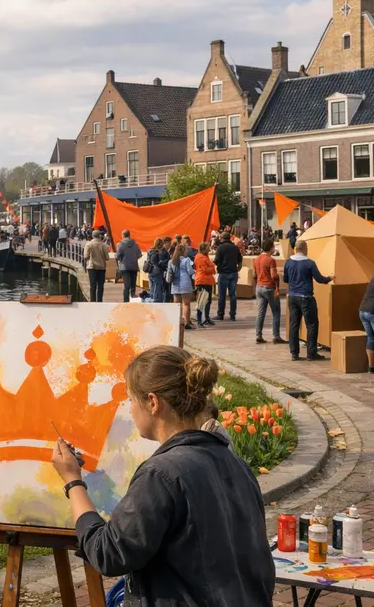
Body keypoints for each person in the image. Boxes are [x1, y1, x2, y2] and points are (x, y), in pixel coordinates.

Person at [51, 347, 274, 606]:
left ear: (153, 403)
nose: (130, 409)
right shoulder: (233, 461)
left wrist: (72, 481)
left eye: (131, 400)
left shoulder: (161, 475)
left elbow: (107, 553)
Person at [283, 240, 334, 361]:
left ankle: (294, 353)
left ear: (295, 248)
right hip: (306, 297)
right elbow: (320, 279)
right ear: (305, 249)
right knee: (311, 324)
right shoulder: (310, 263)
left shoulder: (288, 262)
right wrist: (330, 278)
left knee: (294, 324)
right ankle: (311, 353)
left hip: (292, 296)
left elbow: (285, 279)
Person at [253, 237, 283, 344]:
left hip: (259, 287)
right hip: (269, 287)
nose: (274, 249)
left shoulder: (256, 259)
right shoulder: (271, 260)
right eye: (273, 247)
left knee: (261, 312)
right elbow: (273, 276)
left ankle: (258, 335)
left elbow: (255, 275)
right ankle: (276, 336)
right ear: (270, 248)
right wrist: (277, 286)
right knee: (276, 312)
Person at [213, 232, 242, 321]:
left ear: (221, 238)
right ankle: (232, 315)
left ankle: (220, 314)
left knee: (222, 295)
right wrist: (237, 270)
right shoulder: (235, 248)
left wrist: (219, 266)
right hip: (233, 273)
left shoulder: (220, 248)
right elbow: (240, 261)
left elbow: (216, 261)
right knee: (232, 295)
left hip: (223, 273)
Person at [168, 244, 195, 331]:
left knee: (177, 305)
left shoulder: (171, 261)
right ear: (184, 251)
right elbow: (190, 272)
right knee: (186, 304)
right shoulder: (187, 260)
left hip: (175, 284)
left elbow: (169, 272)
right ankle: (187, 322)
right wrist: (194, 270)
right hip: (185, 283)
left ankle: (177, 322)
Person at [193, 242, 216, 329]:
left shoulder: (204, 256)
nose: (209, 249)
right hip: (202, 281)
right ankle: (199, 320)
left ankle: (206, 318)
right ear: (203, 249)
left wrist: (212, 268)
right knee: (202, 301)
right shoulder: (200, 257)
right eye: (208, 248)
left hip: (207, 281)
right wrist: (213, 268)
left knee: (208, 301)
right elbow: (205, 269)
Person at [116, 230, 142, 303]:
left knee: (127, 286)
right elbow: (139, 255)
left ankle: (126, 301)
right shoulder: (135, 244)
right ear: (129, 235)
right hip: (134, 266)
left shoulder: (120, 245)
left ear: (123, 235)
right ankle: (133, 299)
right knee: (133, 285)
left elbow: (117, 256)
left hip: (124, 267)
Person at [84, 230, 109, 302]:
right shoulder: (104, 245)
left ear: (92, 236)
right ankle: (100, 301)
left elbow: (85, 256)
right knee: (100, 286)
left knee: (93, 286)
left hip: (92, 267)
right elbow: (107, 257)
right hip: (102, 267)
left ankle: (92, 301)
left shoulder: (89, 244)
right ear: (99, 236)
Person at [147, 238, 167, 303]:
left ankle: (152, 299)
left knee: (152, 286)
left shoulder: (150, 251)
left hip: (150, 271)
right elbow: (157, 263)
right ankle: (156, 301)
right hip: (157, 271)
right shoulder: (157, 252)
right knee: (157, 287)